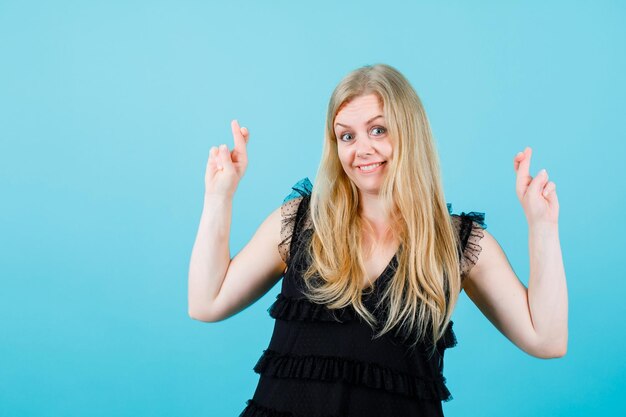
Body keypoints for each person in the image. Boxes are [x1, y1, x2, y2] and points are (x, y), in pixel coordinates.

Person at [188, 63, 568, 417]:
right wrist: (219, 197)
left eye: (378, 130)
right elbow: (207, 303)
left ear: (409, 132)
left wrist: (542, 225)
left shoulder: (454, 242)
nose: (362, 149)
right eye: (346, 136)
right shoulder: (302, 220)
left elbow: (547, 339)